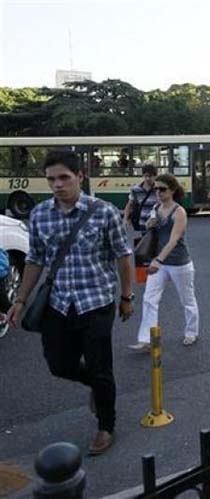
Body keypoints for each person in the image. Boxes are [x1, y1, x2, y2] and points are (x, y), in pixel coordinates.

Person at [6, 149, 134, 455]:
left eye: (64, 177)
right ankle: (96, 386)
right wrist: (20, 300)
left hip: (97, 302)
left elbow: (123, 256)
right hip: (59, 302)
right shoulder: (39, 215)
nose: (58, 185)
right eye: (51, 179)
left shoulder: (103, 212)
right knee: (58, 364)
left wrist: (127, 297)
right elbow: (36, 260)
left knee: (101, 367)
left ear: (80, 176)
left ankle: (106, 425)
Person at [129, 174, 199, 351]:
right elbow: (149, 231)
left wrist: (158, 260)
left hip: (179, 262)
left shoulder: (179, 212)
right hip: (159, 262)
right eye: (156, 189)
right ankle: (147, 338)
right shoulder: (156, 207)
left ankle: (191, 332)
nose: (158, 192)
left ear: (173, 190)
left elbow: (174, 239)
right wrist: (149, 224)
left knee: (187, 300)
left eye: (162, 189)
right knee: (149, 299)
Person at [123, 164, 158, 234]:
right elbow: (129, 205)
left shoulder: (159, 189)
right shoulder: (136, 190)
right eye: (145, 176)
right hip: (143, 224)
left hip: (157, 224)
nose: (147, 178)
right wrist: (125, 219)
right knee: (145, 244)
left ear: (155, 176)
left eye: (150, 176)